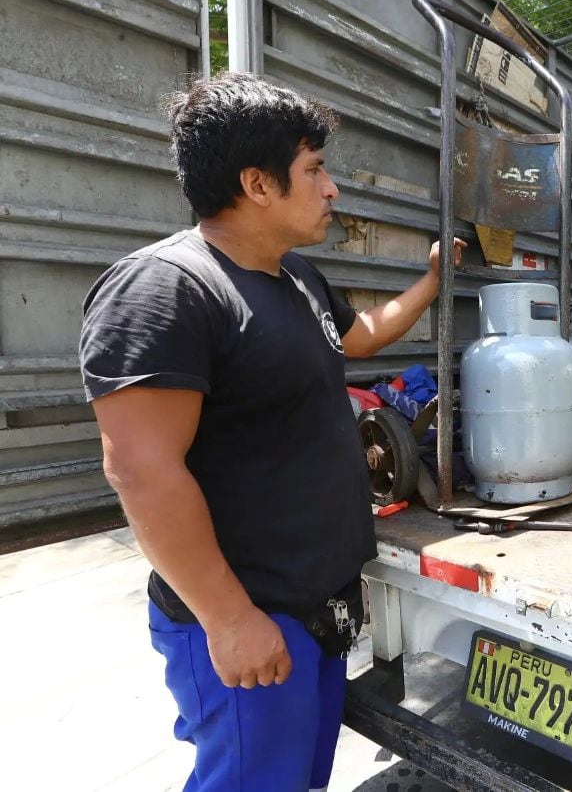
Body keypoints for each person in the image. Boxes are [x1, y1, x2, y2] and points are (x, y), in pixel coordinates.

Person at [79, 71, 463, 791]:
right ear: (257, 184)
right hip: (249, 619)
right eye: (314, 170)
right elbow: (140, 470)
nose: (331, 189)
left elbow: (363, 335)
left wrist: (431, 284)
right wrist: (228, 620)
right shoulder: (168, 290)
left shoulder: (296, 279)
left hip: (316, 615)